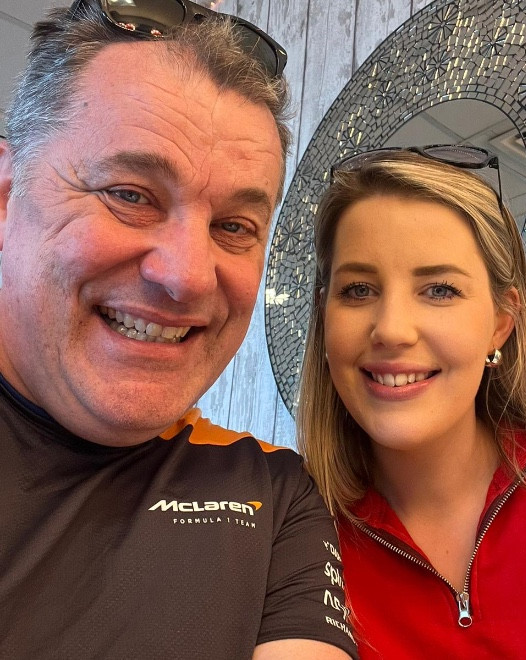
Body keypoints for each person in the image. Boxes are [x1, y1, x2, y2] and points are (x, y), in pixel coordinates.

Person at [0, 2, 357, 658]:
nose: (188, 276)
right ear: (5, 196)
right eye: (130, 195)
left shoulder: (272, 496)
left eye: (234, 227)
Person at [297, 145, 526, 659]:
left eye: (439, 290)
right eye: (357, 290)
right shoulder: (293, 537)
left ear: (500, 323)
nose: (391, 329)